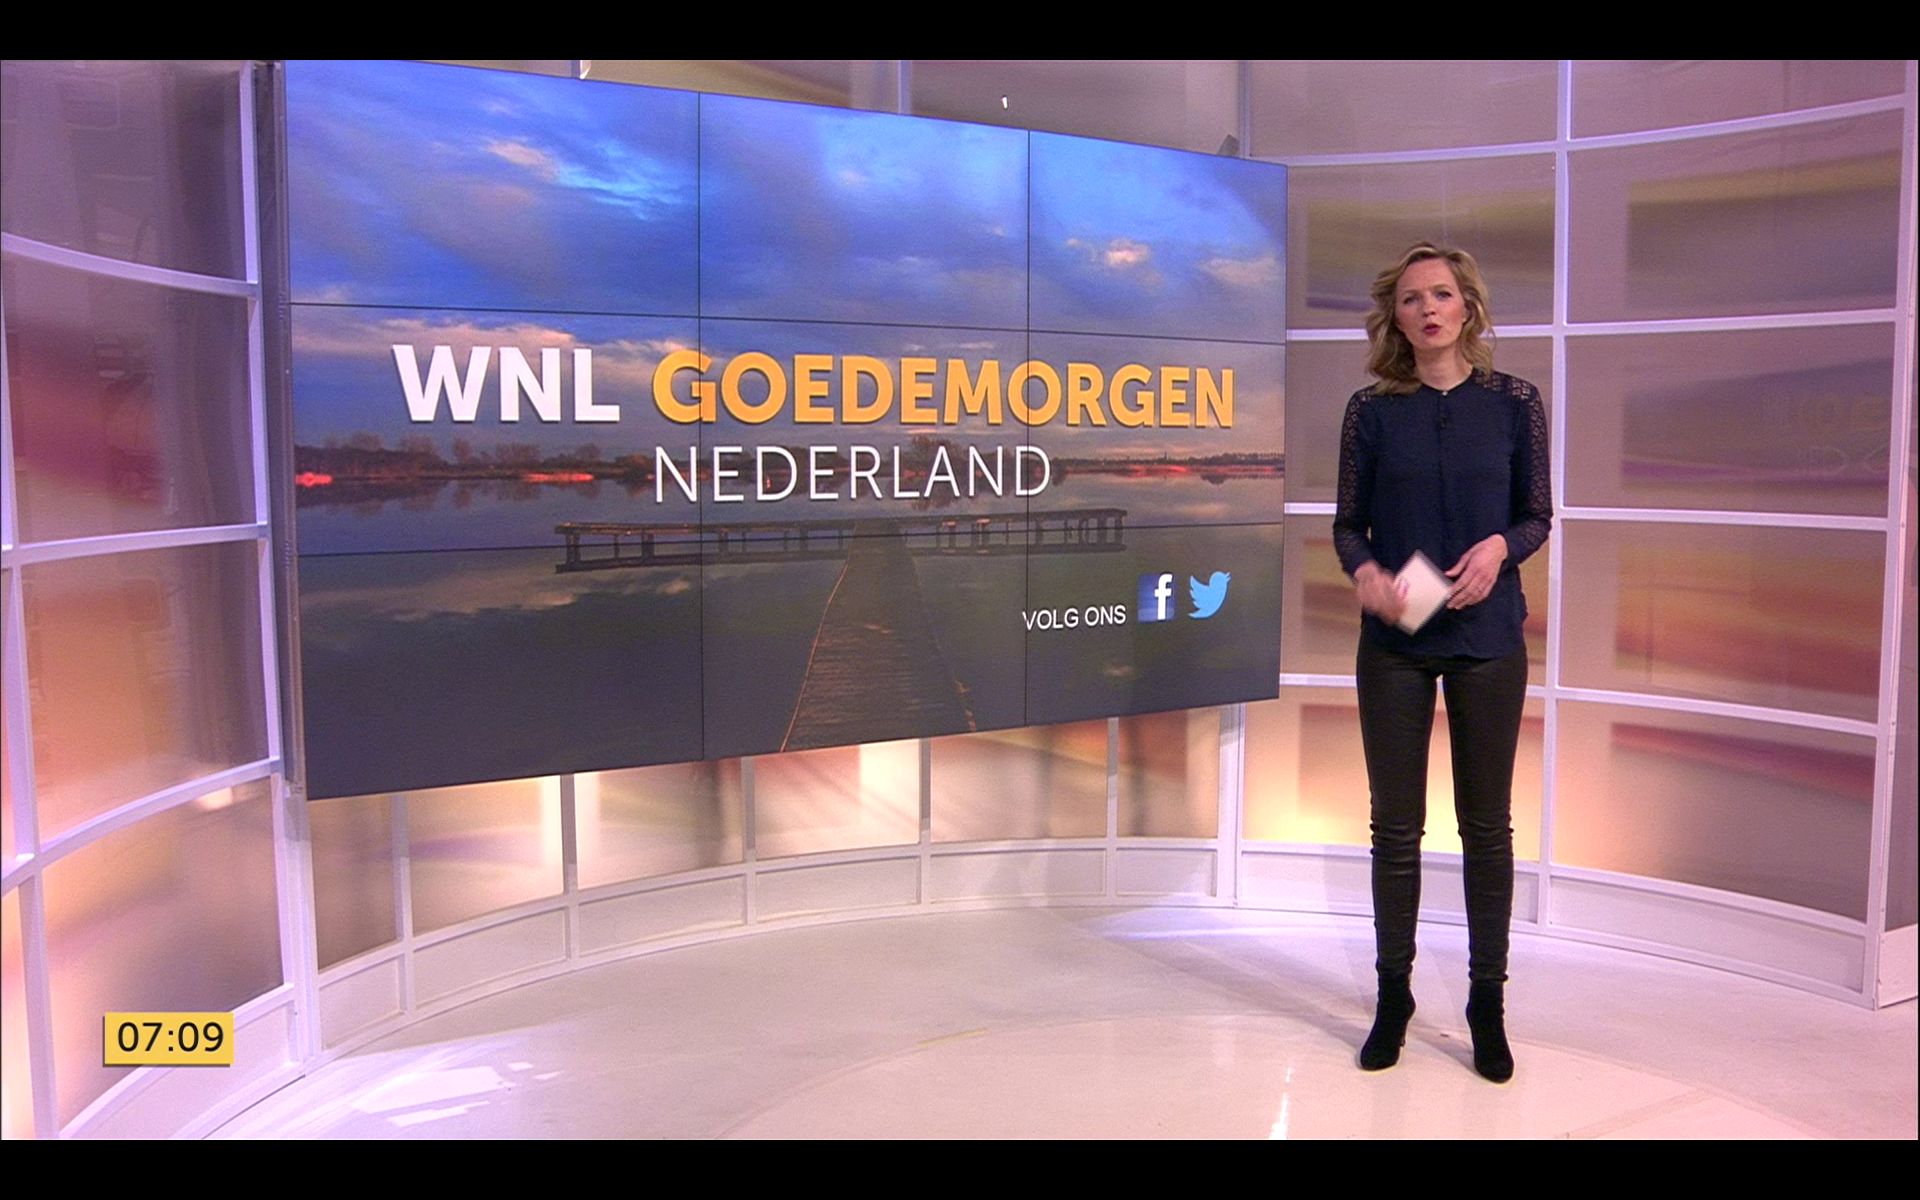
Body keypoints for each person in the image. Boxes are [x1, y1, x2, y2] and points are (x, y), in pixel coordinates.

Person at [1331, 242, 1551, 1082]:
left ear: (1468, 308)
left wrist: (1502, 547)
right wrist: (1366, 574)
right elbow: (1349, 525)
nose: (1429, 309)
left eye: (1443, 295)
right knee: (1395, 829)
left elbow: (1537, 514)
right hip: (1396, 641)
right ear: (1395, 317)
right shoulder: (1371, 411)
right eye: (1413, 298)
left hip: (1487, 638)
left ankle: (1486, 1004)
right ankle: (1394, 996)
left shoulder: (1515, 402)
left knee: (1486, 828)